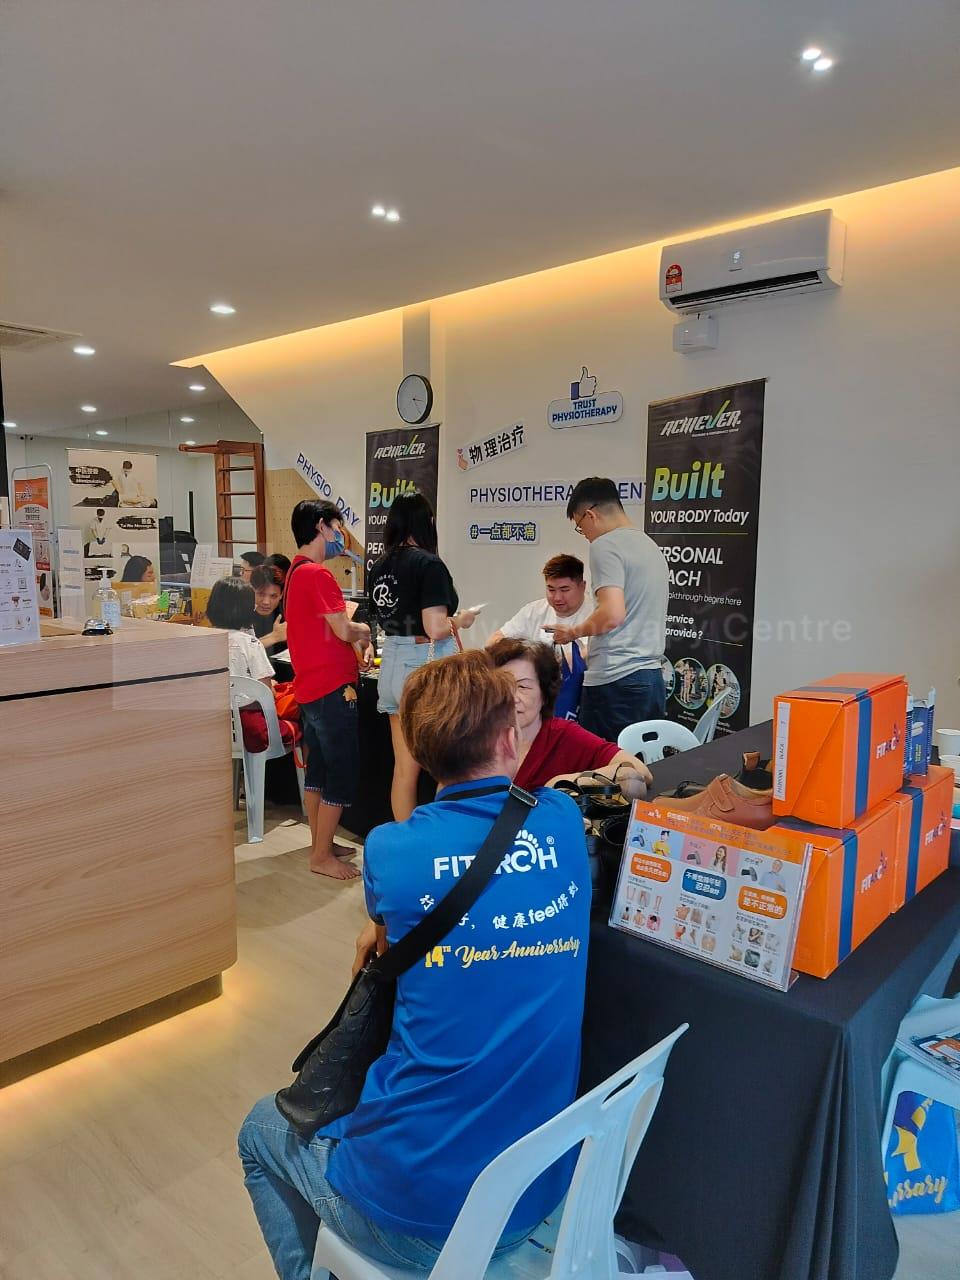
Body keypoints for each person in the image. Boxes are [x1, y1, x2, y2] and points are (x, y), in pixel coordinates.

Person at [238, 650, 591, 1279]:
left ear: (421, 756)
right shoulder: (562, 821)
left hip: (417, 1217)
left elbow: (386, 932)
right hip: (539, 1188)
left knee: (259, 1131)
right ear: (509, 739)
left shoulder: (391, 850)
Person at [367, 491, 479, 821]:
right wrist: (462, 620)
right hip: (422, 667)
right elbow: (435, 627)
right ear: (427, 522)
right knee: (446, 765)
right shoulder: (429, 564)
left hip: (392, 664)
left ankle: (407, 840)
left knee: (404, 770)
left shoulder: (380, 566)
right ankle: (443, 838)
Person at [285, 499, 372, 880]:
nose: (340, 536)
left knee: (318, 769)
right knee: (340, 770)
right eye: (337, 528)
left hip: (311, 687)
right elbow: (343, 628)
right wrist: (364, 630)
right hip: (332, 688)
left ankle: (320, 843)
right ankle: (321, 855)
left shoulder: (295, 571)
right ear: (322, 526)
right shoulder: (317, 574)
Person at [548, 477, 669, 743]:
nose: (585, 535)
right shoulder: (649, 545)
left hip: (616, 681)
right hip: (651, 680)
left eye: (580, 527)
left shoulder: (605, 545)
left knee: (603, 765)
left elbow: (613, 614)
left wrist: (573, 632)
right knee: (641, 763)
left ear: (590, 515)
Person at [487, 638, 650, 793]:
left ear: (545, 694)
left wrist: (564, 782)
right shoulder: (479, 735)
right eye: (503, 685)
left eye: (523, 687)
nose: (512, 697)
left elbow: (639, 771)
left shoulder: (562, 735)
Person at [487, 553, 593, 719]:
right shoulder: (534, 611)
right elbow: (493, 642)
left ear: (582, 586)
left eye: (565, 590)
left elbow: (590, 654)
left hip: (582, 696)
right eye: (551, 589)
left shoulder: (596, 614)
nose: (557, 597)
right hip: (535, 695)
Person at [206, 576, 274, 688]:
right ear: (248, 609)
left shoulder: (200, 639)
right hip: (244, 699)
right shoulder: (251, 644)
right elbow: (265, 689)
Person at [249, 564, 286, 648]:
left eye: (273, 596)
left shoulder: (288, 616)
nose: (266, 602)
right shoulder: (239, 613)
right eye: (261, 594)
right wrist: (274, 637)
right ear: (251, 590)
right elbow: (238, 650)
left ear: (281, 595)